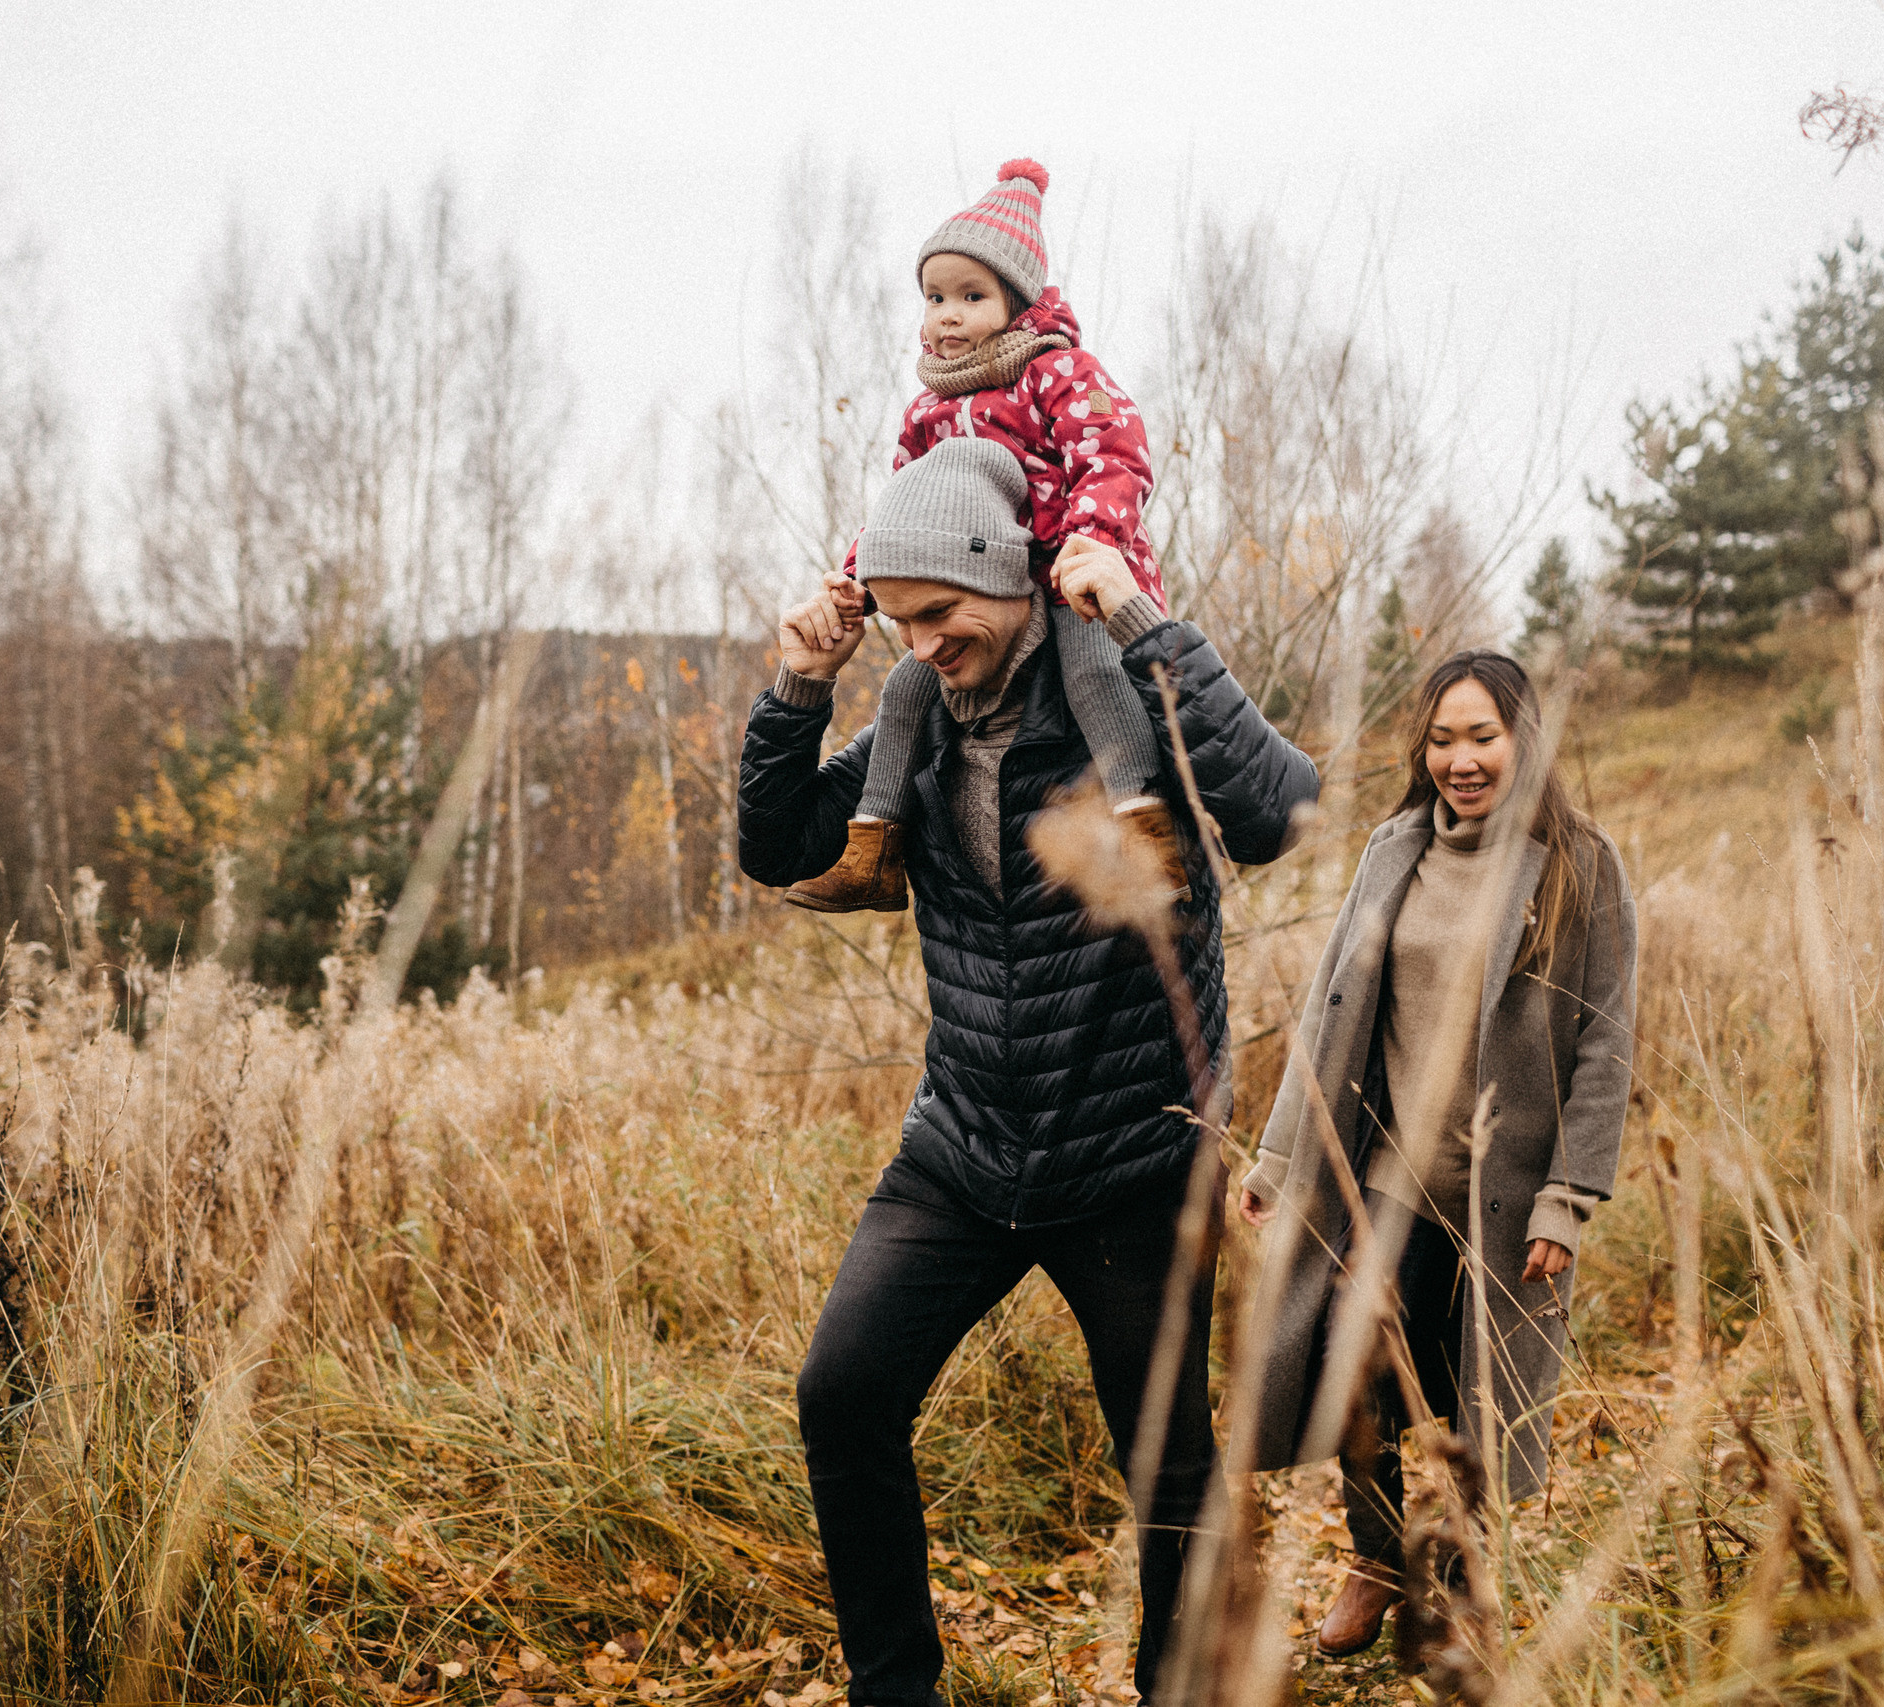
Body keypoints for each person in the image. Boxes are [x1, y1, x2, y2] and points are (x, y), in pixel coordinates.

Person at [741, 436, 1319, 1706]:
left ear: (1008, 578)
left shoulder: (1124, 703)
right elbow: (774, 849)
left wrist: (1143, 616)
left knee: (1168, 1466)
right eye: (899, 623)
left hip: (1128, 1159)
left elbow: (1278, 810)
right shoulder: (924, 729)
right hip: (962, 1151)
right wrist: (796, 688)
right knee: (842, 1394)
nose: (925, 644)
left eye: (942, 615)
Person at [1232, 650, 1636, 1658]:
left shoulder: (1579, 866)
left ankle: (1457, 1579)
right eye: (1442, 738)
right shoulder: (1392, 848)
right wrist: (1279, 1163)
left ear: (1524, 742)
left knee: (1481, 1407)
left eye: (1483, 738)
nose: (1461, 759)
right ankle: (1375, 1556)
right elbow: (1329, 1015)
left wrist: (1568, 1197)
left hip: (1504, 1198)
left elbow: (1607, 1042)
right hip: (1384, 1183)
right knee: (1349, 1372)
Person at [781, 157, 1183, 915]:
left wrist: (1092, 540)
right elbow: (901, 506)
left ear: (1019, 303)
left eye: (971, 295)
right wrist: (859, 579)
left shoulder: (1056, 372)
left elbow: (1115, 448)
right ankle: (873, 848)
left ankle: (1145, 828)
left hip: (1068, 576)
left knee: (1094, 672)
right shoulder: (926, 412)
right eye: (936, 297)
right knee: (904, 687)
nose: (948, 315)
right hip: (973, 588)